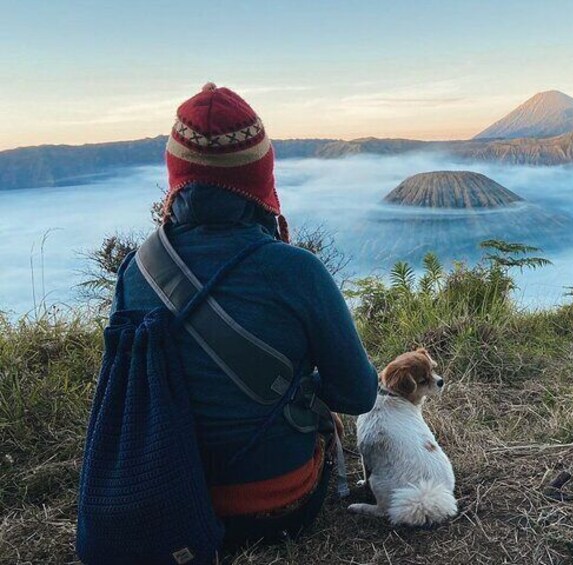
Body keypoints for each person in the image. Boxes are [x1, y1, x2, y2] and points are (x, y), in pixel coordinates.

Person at [112, 83, 378, 548]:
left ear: (176, 177)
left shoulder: (137, 271)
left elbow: (124, 390)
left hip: (166, 496)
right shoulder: (295, 270)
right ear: (261, 180)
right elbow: (357, 393)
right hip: (274, 506)